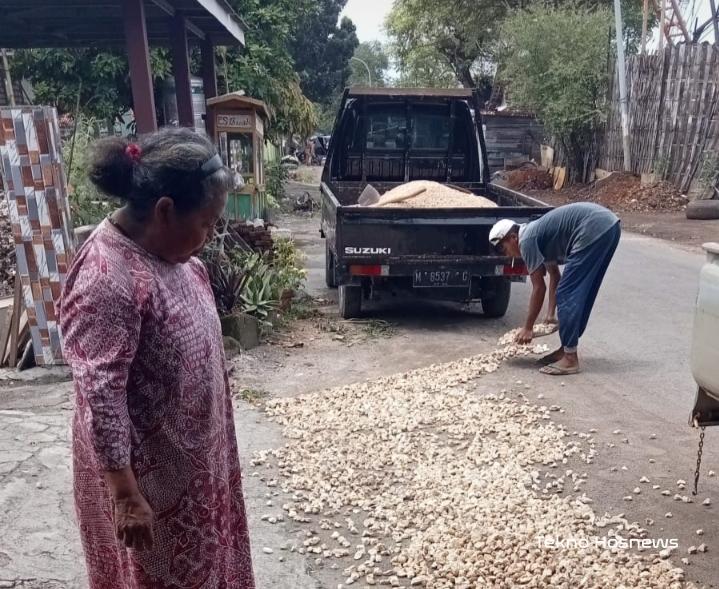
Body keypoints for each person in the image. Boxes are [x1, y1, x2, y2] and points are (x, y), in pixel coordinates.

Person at [59, 128, 255, 588]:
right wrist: (126, 496)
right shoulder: (107, 279)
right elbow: (101, 398)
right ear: (165, 211)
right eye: (206, 223)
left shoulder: (181, 260)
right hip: (150, 491)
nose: (209, 236)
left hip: (198, 475)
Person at [489, 202, 620, 376]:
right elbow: (554, 276)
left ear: (513, 237)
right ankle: (565, 349)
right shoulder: (538, 235)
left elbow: (539, 288)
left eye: (503, 248)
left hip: (594, 227)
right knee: (582, 292)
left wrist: (528, 327)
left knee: (567, 293)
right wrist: (550, 315)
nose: (506, 254)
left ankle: (570, 358)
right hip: (610, 226)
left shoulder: (526, 241)